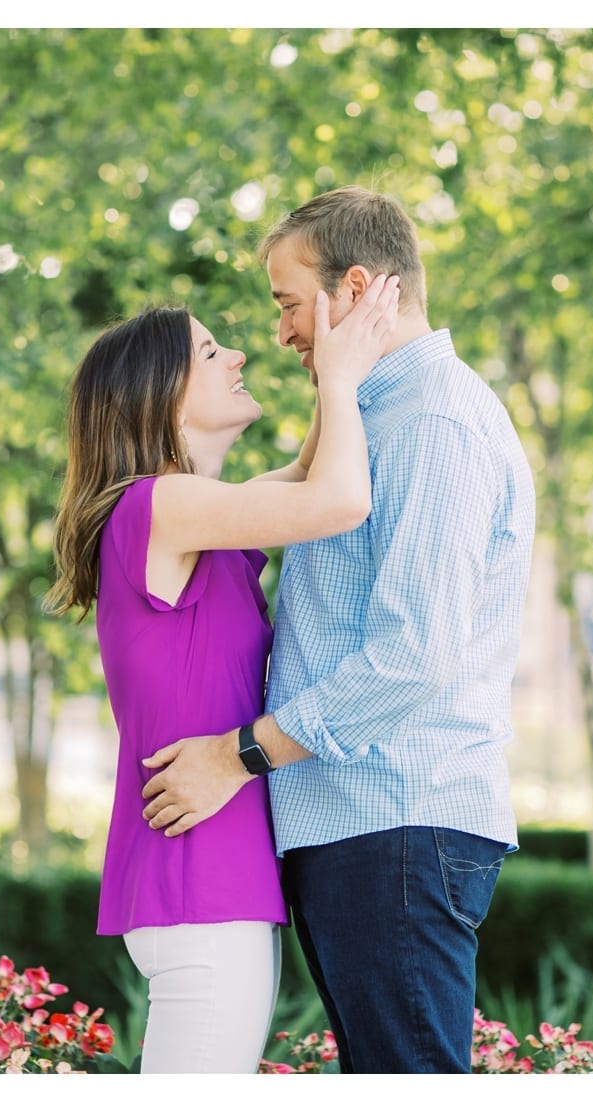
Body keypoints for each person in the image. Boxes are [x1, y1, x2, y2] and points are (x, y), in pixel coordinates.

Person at [140, 186, 536, 1073]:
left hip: (396, 818)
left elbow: (414, 656)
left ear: (354, 289)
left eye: (288, 304)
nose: (279, 332)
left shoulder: (432, 422)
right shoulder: (371, 416)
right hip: (361, 822)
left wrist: (239, 754)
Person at [45, 274, 401, 1073]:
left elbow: (311, 475)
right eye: (210, 350)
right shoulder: (159, 506)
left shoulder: (195, 519)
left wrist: (340, 361)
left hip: (208, 880)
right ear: (161, 395)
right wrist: (339, 378)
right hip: (199, 881)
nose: (239, 351)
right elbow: (339, 501)